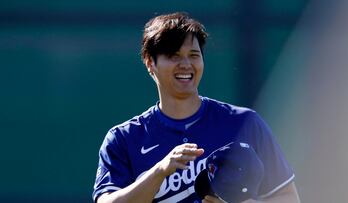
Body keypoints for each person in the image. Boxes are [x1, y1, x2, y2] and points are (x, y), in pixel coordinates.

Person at [92, 12, 300, 203]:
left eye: (193, 55)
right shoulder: (124, 139)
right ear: (150, 63)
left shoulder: (244, 123)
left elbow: (288, 197)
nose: (186, 64)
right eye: (173, 55)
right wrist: (159, 172)